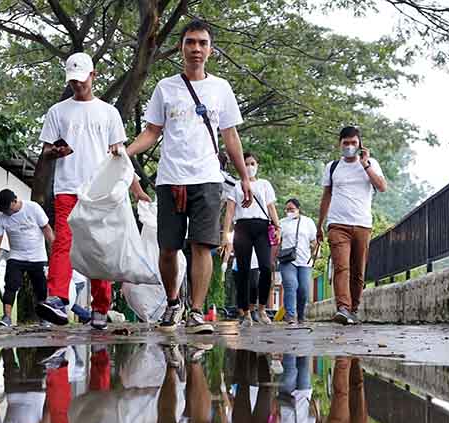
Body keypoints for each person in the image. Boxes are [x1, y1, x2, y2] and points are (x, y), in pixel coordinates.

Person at [126, 19, 253, 333]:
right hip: (170, 178)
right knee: (168, 248)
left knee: (202, 245)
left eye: (202, 43)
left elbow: (230, 135)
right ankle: (173, 303)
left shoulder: (221, 88)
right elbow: (152, 131)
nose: (196, 48)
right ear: (181, 47)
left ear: (211, 50)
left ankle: (196, 312)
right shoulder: (165, 88)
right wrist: (125, 152)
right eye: (190, 42)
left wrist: (244, 177)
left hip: (207, 178)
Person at [37, 52, 150, 330]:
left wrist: (136, 189)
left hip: (100, 191)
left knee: (99, 247)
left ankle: (100, 306)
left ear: (93, 75)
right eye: (72, 81)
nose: (77, 85)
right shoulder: (57, 111)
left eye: (82, 79)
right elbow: (45, 151)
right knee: (64, 241)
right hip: (67, 187)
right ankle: (57, 298)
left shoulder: (109, 113)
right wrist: (56, 152)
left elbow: (121, 157)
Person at [317, 126, 388, 325]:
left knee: (358, 272)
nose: (349, 146)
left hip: (362, 225)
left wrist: (366, 165)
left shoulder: (371, 164)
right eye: (345, 143)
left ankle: (353, 309)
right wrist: (320, 225)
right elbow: (326, 196)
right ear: (339, 144)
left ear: (360, 144)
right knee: (341, 267)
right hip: (337, 225)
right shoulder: (332, 167)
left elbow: (382, 187)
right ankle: (343, 308)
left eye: (353, 143)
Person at [222, 152, 280, 326]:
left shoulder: (264, 184)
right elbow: (230, 211)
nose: (249, 167)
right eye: (246, 163)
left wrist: (278, 227)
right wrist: (225, 235)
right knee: (243, 271)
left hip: (262, 227)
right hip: (242, 228)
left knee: (266, 267)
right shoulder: (236, 186)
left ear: (257, 165)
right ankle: (246, 313)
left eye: (252, 163)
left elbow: (271, 207)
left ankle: (261, 309)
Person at [0, 189, 54, 328]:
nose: (5, 212)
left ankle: (44, 318)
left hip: (37, 257)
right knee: (10, 285)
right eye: (3, 209)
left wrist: (55, 252)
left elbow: (46, 229)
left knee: (41, 288)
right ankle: (7, 317)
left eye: (7, 208)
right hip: (16, 256)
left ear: (14, 201)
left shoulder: (33, 208)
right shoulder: (0, 218)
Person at [277, 198, 318, 324]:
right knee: (291, 285)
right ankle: (290, 315)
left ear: (298, 209)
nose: (289, 212)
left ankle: (301, 315)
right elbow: (277, 241)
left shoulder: (308, 222)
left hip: (305, 260)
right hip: (288, 260)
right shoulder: (282, 223)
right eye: (287, 209)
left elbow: (314, 240)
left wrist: (314, 252)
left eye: (291, 209)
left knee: (304, 289)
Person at [277, 354, 317, 423]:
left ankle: (290, 348)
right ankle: (304, 344)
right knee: (303, 366)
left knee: (291, 371)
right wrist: (316, 406)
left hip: (287, 394)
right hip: (304, 393)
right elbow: (313, 417)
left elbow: (275, 415)